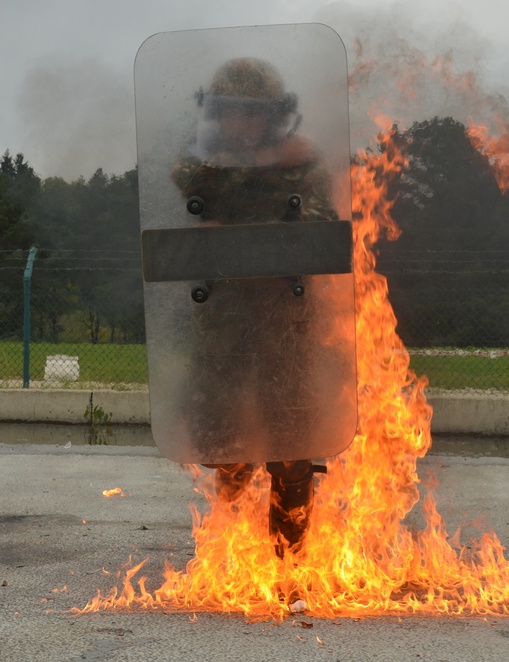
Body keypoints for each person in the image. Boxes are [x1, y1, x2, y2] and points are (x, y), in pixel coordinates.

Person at [170, 57, 335, 556]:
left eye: (254, 113)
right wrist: (268, 164)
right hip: (224, 326)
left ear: (276, 115)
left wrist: (287, 171)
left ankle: (290, 559)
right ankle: (233, 553)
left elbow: (323, 232)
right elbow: (193, 178)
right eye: (231, 112)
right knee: (227, 442)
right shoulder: (200, 168)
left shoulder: (305, 165)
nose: (243, 124)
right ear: (216, 116)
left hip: (286, 324)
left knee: (292, 444)